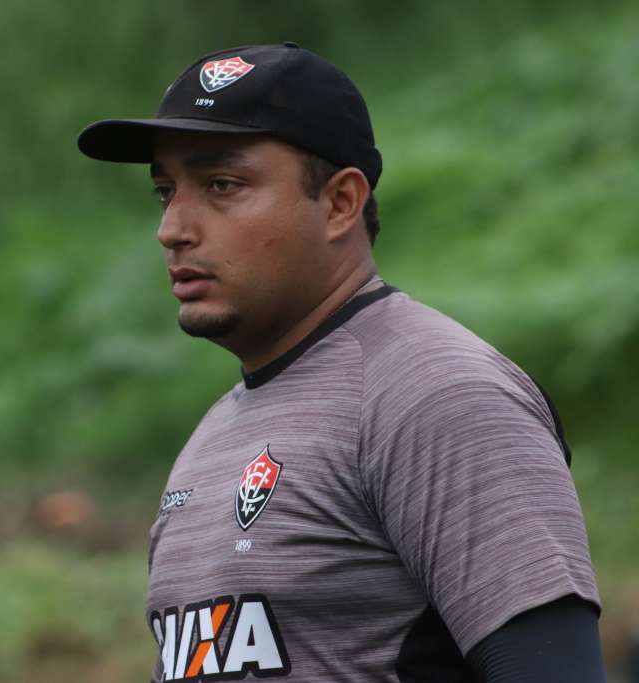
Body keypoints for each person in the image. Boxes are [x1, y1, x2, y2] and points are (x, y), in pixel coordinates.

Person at [77, 43, 606, 682]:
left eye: (222, 184)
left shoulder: (436, 396)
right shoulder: (214, 435)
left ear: (340, 204)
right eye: (166, 191)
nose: (173, 227)